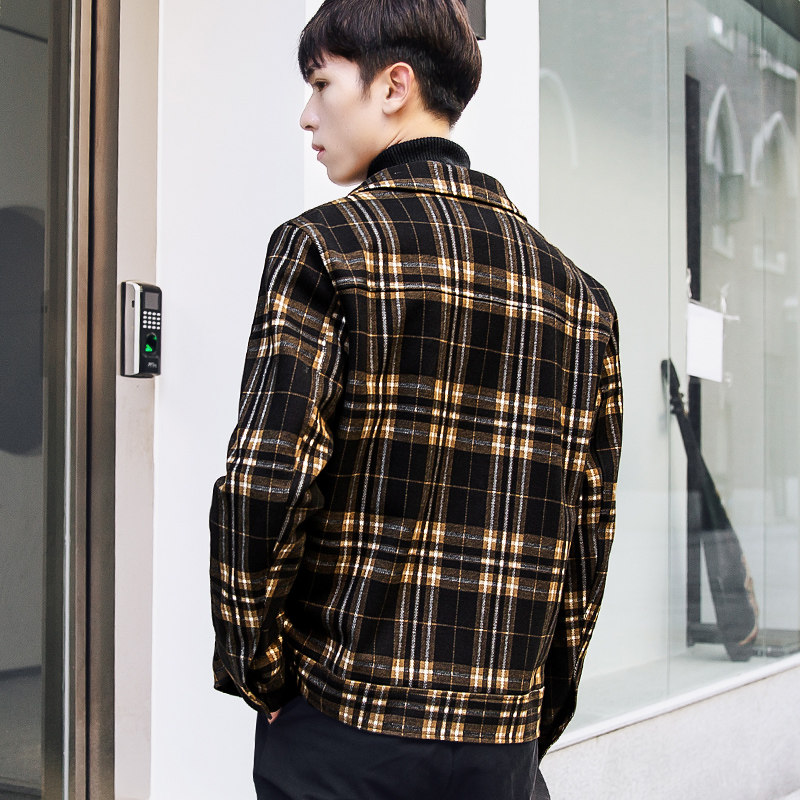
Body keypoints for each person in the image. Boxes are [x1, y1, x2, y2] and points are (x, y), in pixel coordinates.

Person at [209, 1, 623, 797]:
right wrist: (531, 716)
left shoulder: (324, 246)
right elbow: (587, 535)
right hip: (502, 741)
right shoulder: (581, 299)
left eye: (321, 84)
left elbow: (266, 484)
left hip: (344, 723)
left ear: (394, 86)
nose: (307, 115)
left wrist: (261, 672)